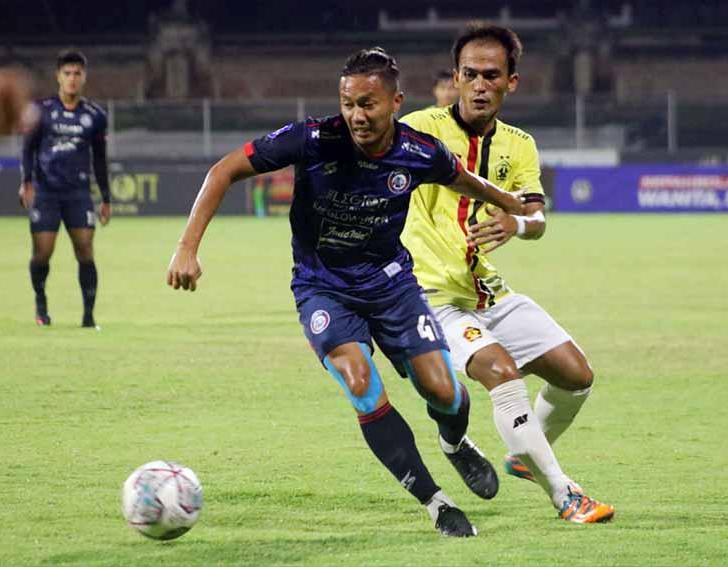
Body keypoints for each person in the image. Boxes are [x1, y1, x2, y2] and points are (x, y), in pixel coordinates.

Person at [166, 48, 524, 537]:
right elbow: (223, 171)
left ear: (395, 101)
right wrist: (187, 248)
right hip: (323, 287)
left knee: (442, 391)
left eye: (368, 104)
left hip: (390, 283)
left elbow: (466, 181)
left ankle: (454, 443)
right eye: (348, 102)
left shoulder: (418, 152)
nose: (356, 115)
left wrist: (515, 207)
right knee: (359, 381)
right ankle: (435, 501)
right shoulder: (313, 140)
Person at [400, 23, 616, 524]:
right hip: (428, 297)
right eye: (469, 74)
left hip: (488, 292)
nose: (478, 85)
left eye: (490, 75)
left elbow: (538, 220)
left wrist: (515, 222)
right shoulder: (421, 129)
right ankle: (565, 494)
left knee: (576, 376)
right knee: (502, 372)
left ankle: (525, 453)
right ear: (454, 77)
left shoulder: (520, 145)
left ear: (511, 82)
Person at [19, 50, 112, 328]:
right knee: (42, 253)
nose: (72, 79)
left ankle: (88, 316)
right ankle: (41, 303)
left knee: (85, 250)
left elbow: (100, 159)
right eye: (67, 73)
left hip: (79, 193)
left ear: (84, 77)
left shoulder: (95, 116)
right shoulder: (42, 111)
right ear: (58, 76)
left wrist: (105, 197)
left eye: (77, 73)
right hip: (46, 192)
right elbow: (28, 149)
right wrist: (27, 183)